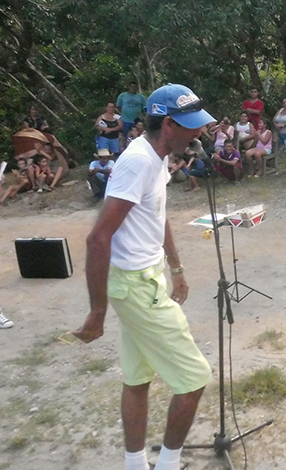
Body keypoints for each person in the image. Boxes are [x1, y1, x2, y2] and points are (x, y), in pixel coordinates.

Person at [72, 83, 215, 470]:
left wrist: (177, 268)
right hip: (135, 284)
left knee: (137, 378)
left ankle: (136, 466)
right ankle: (167, 466)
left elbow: (156, 215)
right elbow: (98, 238)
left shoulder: (157, 158)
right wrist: (97, 311)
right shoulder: (137, 162)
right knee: (193, 379)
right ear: (168, 124)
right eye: (192, 126)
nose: (198, 133)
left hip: (145, 275)